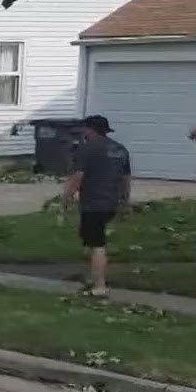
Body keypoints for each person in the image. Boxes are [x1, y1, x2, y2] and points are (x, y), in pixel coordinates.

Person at [62, 115, 132, 296]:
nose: (84, 133)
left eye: (85, 129)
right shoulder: (120, 149)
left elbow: (78, 176)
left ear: (90, 129)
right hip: (111, 202)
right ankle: (91, 278)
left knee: (96, 244)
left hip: (93, 202)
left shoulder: (87, 149)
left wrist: (67, 197)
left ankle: (99, 286)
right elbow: (126, 179)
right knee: (89, 241)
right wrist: (124, 202)